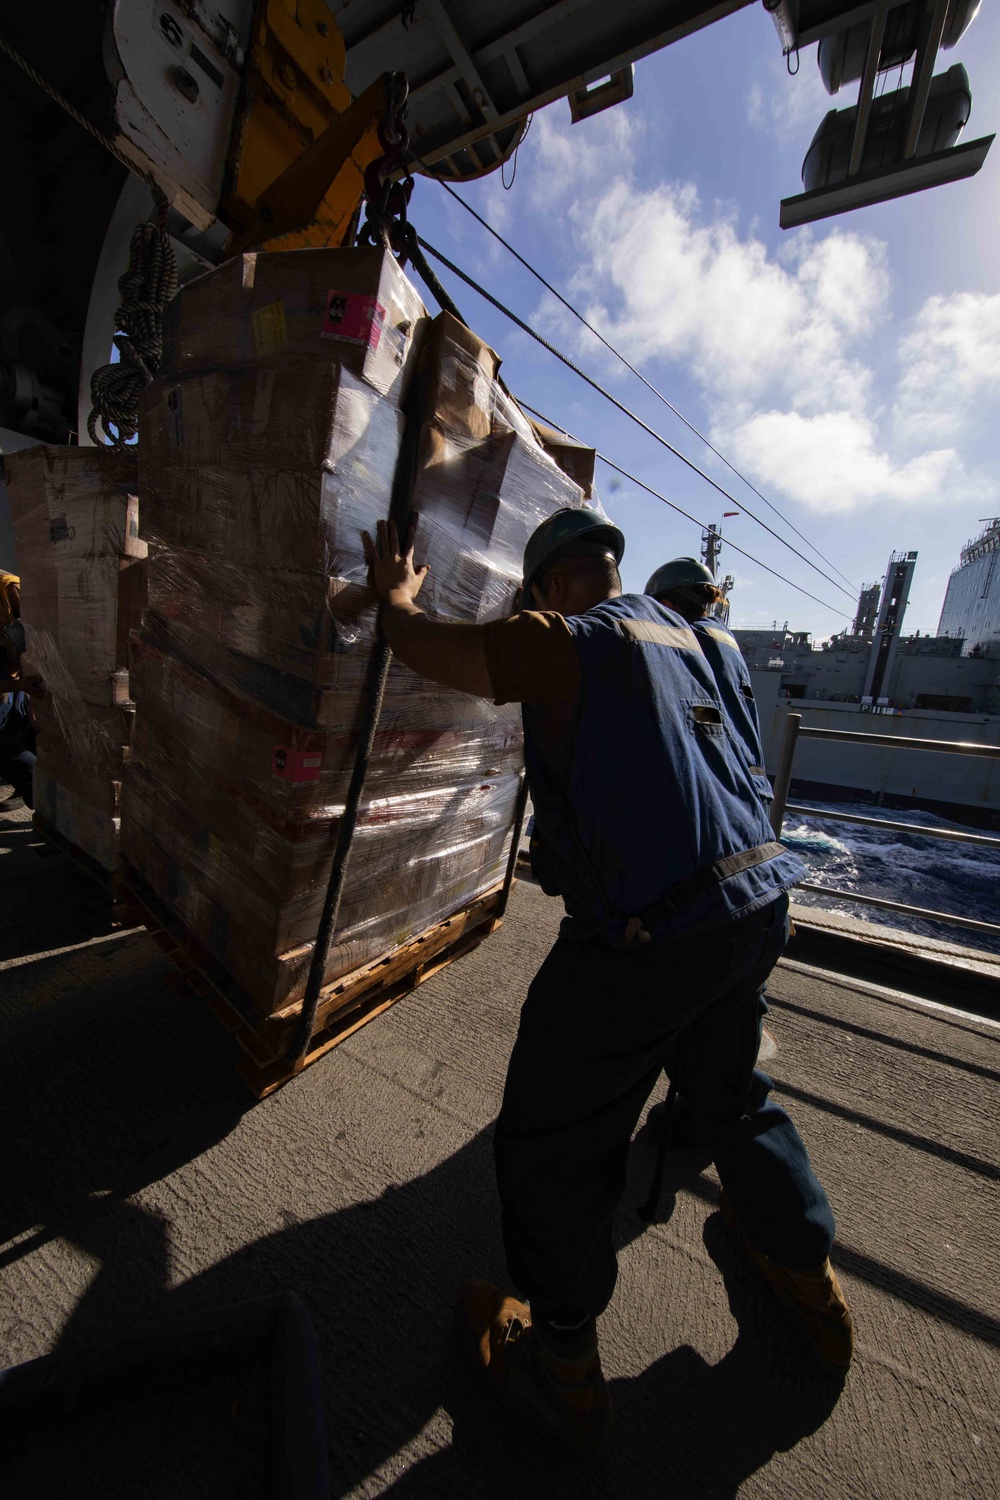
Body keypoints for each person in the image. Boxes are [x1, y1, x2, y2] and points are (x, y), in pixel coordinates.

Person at [362, 508, 853, 1456]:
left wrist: (393, 599)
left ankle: (561, 1369)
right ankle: (807, 1278)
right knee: (729, 1094)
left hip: (649, 940)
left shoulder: (572, 641)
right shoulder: (703, 639)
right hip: (755, 908)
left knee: (553, 1138)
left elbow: (436, 649)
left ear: (548, 587)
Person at [645, 558, 771, 812]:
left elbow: (694, 713)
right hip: (753, 787)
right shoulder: (725, 640)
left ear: (667, 607)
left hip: (723, 793)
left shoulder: (692, 641)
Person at [0, 571, 35, 807]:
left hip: (12, 685)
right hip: (11, 684)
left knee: (9, 748)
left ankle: (43, 802)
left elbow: (35, 636)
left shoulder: (9, 587)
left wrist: (22, 685)